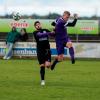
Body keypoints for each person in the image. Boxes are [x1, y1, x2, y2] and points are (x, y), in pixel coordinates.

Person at [33, 21, 54, 86]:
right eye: (36, 25)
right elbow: (40, 35)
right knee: (42, 66)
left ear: (41, 24)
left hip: (47, 50)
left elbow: (52, 35)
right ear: (35, 27)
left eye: (39, 24)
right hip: (40, 51)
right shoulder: (35, 32)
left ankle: (49, 65)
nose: (38, 25)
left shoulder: (45, 30)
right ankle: (42, 81)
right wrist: (49, 33)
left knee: (47, 65)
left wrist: (54, 31)